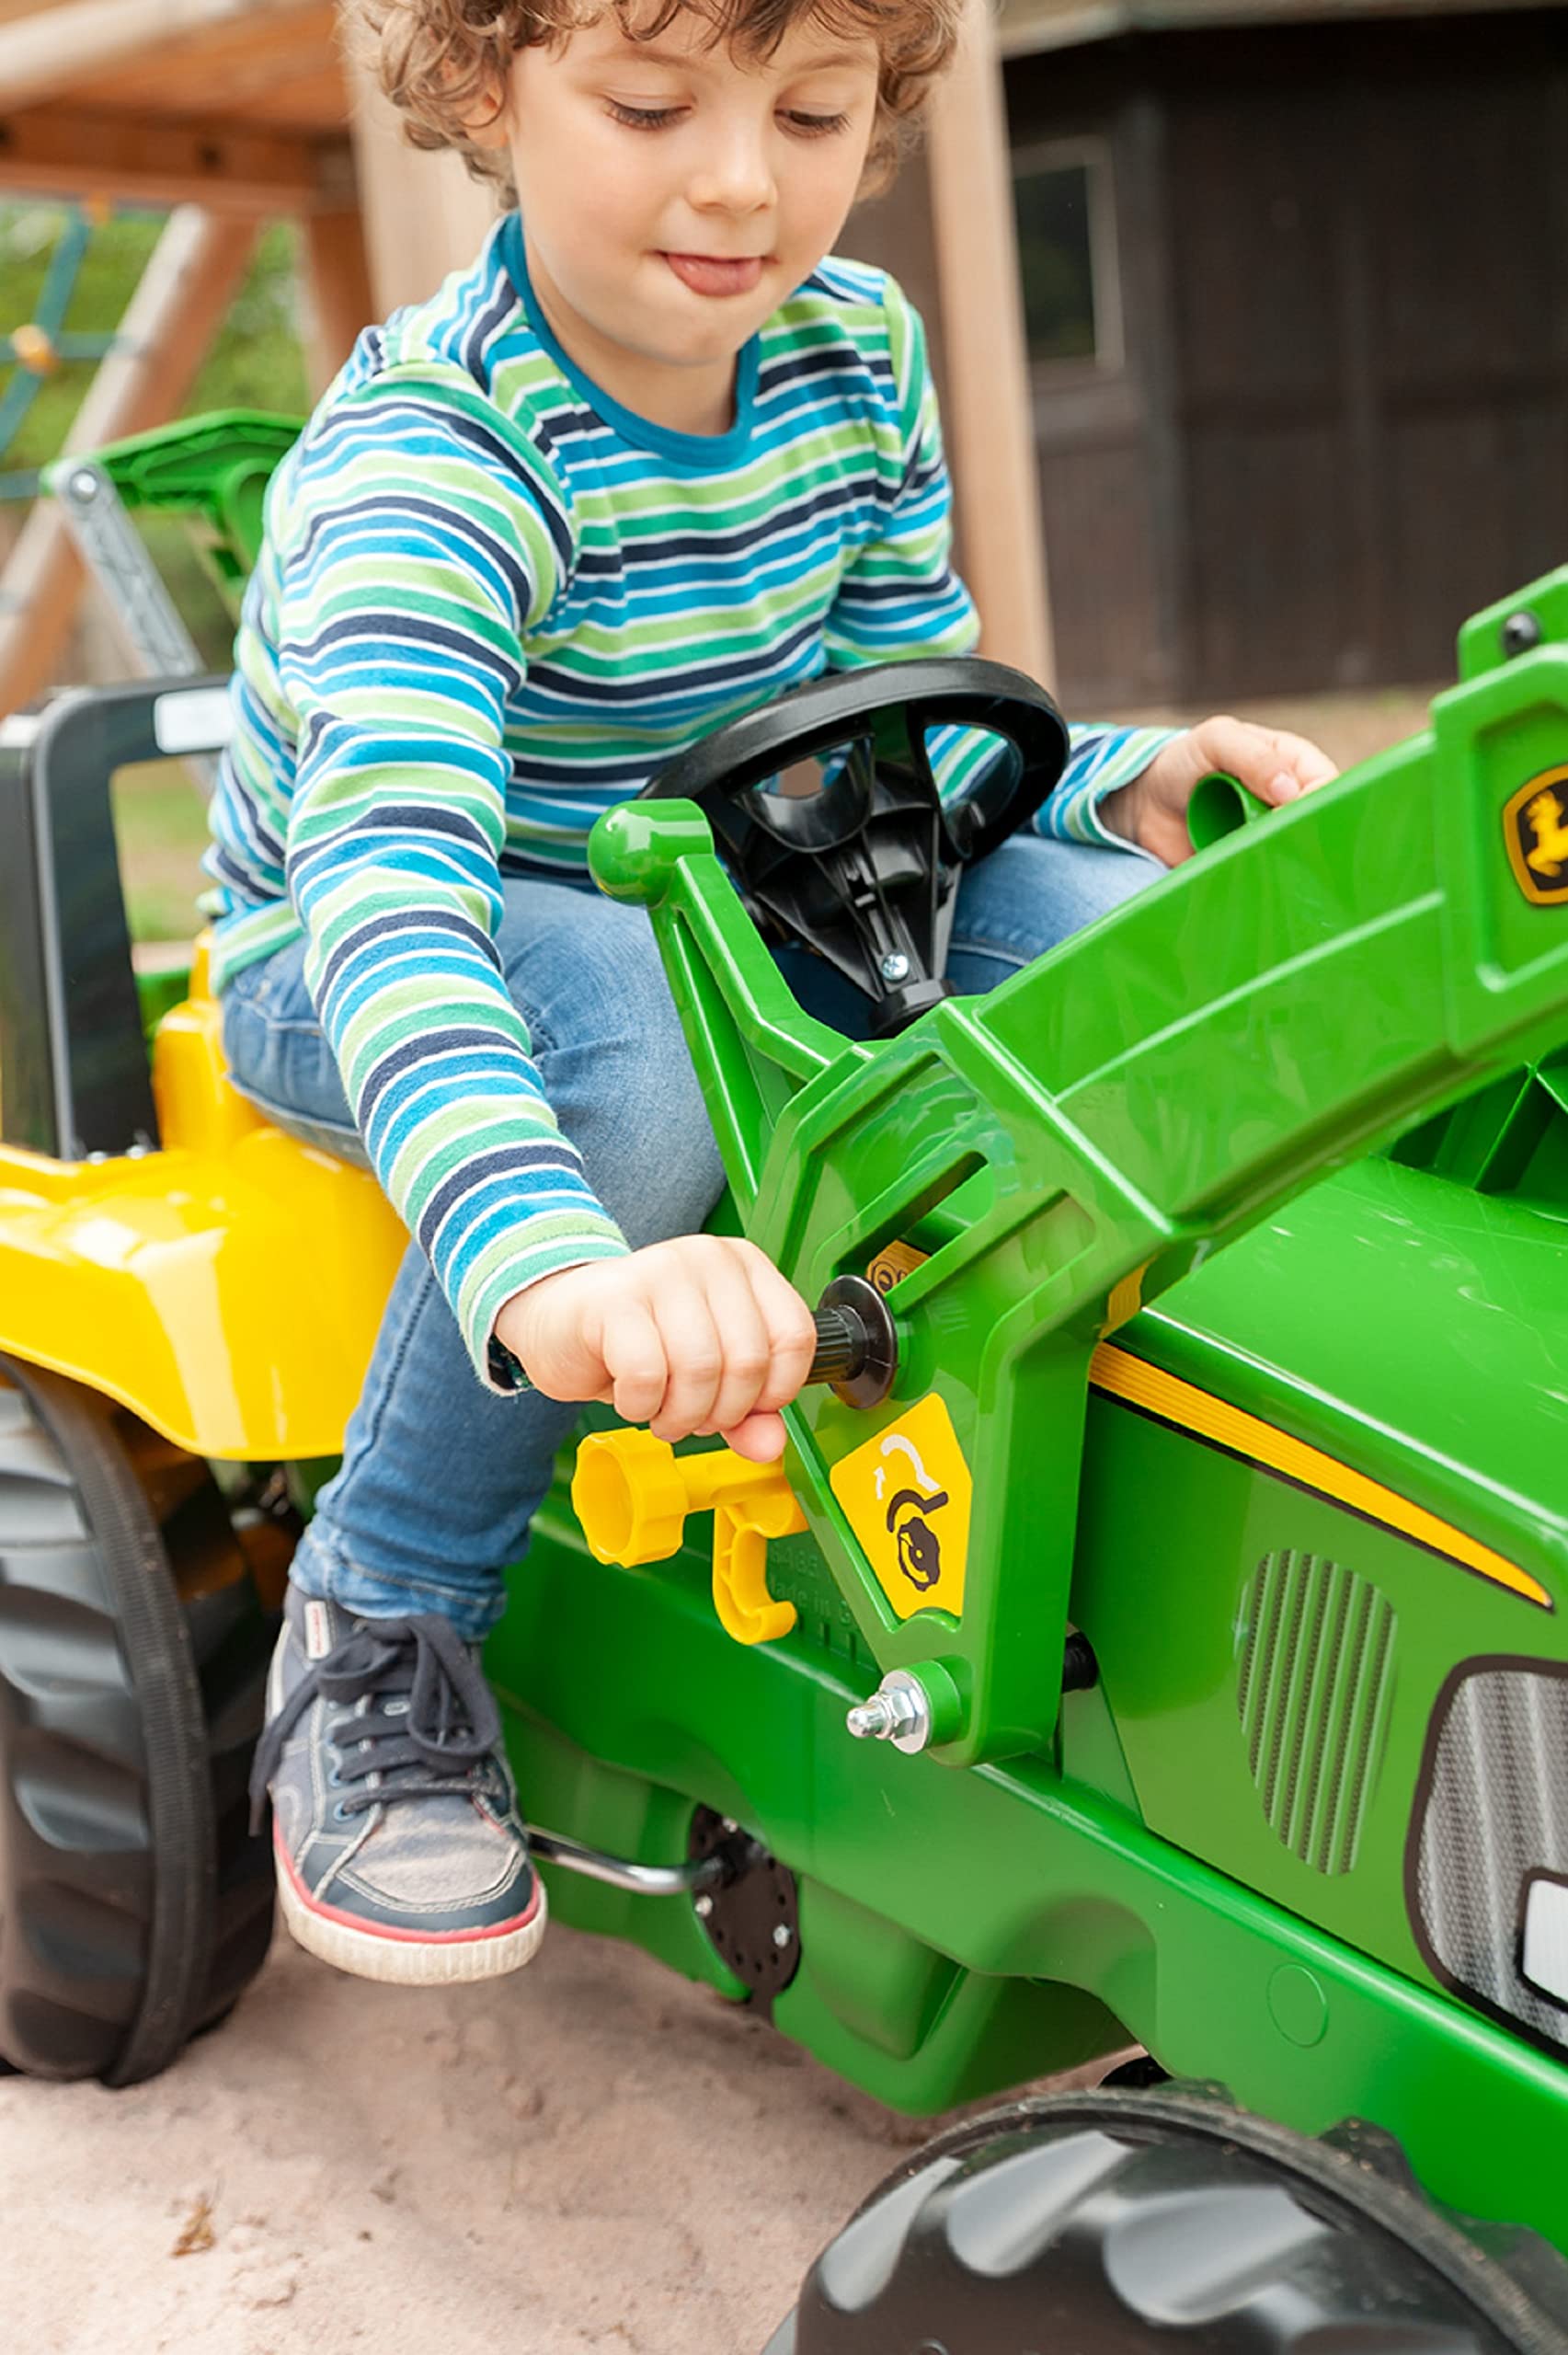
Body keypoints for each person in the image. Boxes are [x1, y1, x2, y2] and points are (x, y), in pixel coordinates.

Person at [211, 0, 1336, 1988]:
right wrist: (549, 1257)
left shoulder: (854, 356)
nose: (743, 180)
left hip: (731, 882)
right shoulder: (435, 463)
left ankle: (1098, 1471)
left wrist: (1119, 778)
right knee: (640, 1062)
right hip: (375, 940)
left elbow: (910, 719)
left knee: (1118, 972)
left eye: (810, 112)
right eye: (653, 105)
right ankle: (382, 1609)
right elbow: (388, 891)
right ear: (487, 90)